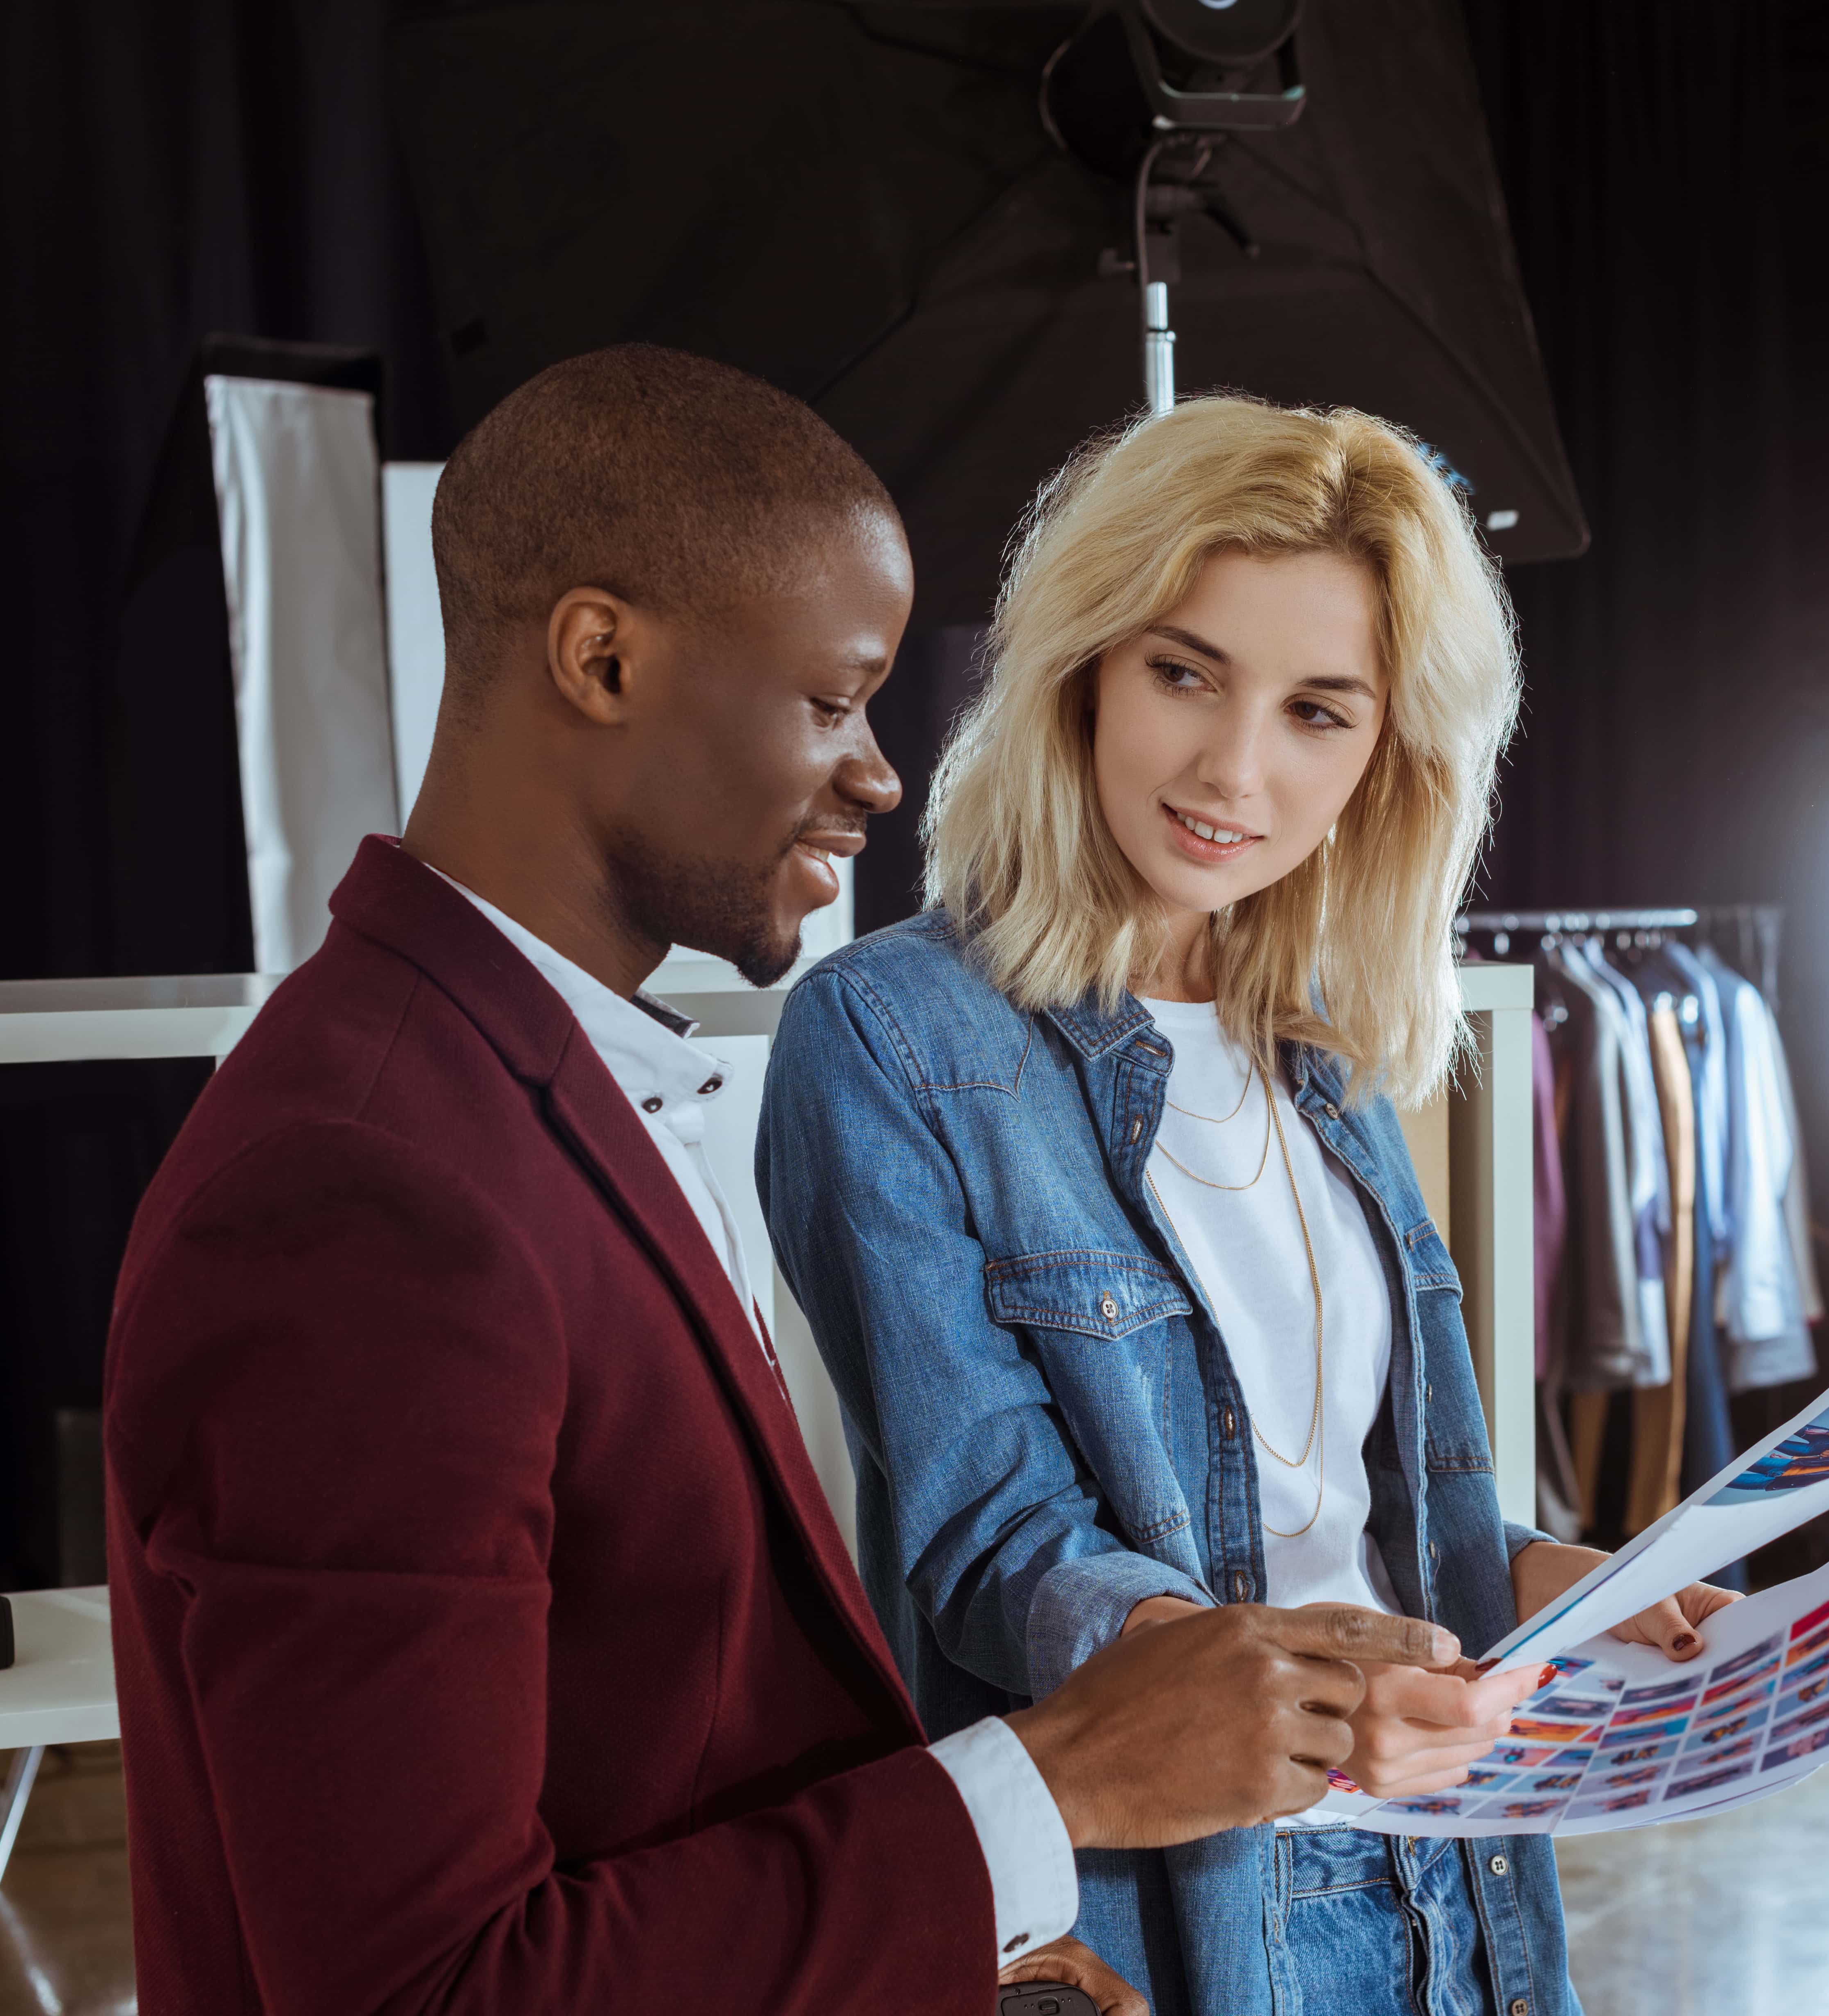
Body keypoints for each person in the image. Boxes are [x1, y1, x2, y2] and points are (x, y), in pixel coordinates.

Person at [102, 346, 1460, 2016]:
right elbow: (427, 1988)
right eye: (833, 701)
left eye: (1319, 709)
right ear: (600, 657)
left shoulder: (542, 1087)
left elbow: (671, 1746)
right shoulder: (364, 1193)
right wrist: (1065, 1784)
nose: (884, 773)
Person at [760, 396, 1740, 2016]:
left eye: (1318, 712)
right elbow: (994, 1545)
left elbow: (1344, 1514)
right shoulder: (887, 1036)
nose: (1235, 767)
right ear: (1083, 658)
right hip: (1166, 1914)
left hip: (1455, 1878)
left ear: (1386, 759)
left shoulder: (1325, 1051)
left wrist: (1552, 1582)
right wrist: (1310, 1689)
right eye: (1185, 671)